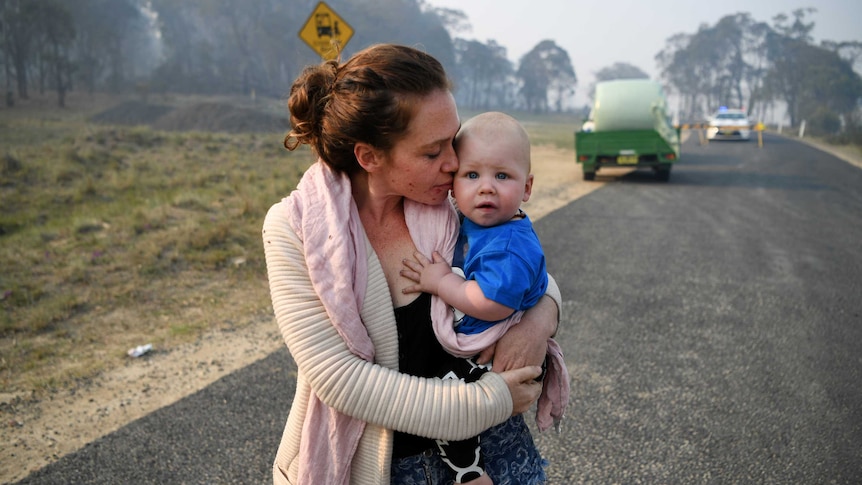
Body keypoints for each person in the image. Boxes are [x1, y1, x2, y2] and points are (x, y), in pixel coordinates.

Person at [262, 43, 562, 485]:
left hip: (493, 453)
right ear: (369, 157)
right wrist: (492, 400)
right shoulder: (295, 230)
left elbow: (527, 272)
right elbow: (340, 379)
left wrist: (540, 318)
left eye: (453, 141)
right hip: (383, 467)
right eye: (432, 151)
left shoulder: (452, 200)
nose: (456, 164)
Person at [400, 112, 562, 485]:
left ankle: (467, 472)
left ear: (527, 188)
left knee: (450, 396)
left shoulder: (508, 243)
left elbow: (492, 303)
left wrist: (442, 283)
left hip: (487, 350)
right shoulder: (476, 221)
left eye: (501, 176)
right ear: (454, 184)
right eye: (472, 175)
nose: (486, 187)